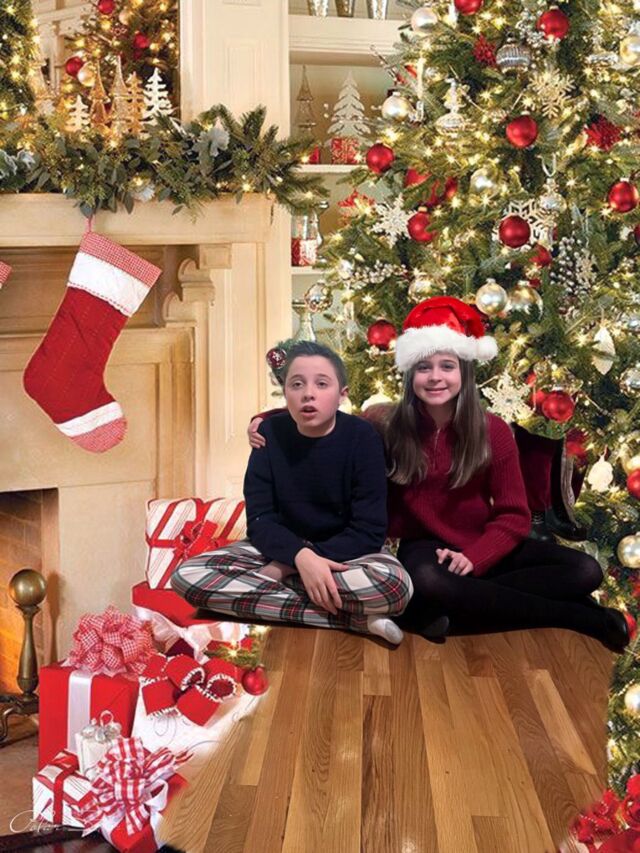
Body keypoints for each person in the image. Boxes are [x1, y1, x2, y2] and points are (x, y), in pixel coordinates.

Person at [248, 299, 631, 652]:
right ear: (410, 375)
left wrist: (475, 558)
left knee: (585, 570)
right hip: (423, 549)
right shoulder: (383, 423)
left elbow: (513, 515)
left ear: (464, 372)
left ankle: (439, 610)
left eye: (447, 366)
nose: (435, 377)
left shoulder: (492, 430)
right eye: (423, 368)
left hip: (479, 541)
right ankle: (576, 616)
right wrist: (265, 420)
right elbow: (325, 414)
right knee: (430, 582)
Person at [172, 341, 413, 645]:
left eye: (321, 384)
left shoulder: (362, 438)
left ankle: (276, 596)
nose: (308, 393)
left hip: (348, 553)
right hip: (279, 547)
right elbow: (260, 520)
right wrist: (298, 555)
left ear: (342, 394)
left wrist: (292, 564)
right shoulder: (268, 434)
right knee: (187, 576)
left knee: (394, 587)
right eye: (297, 384)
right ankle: (353, 619)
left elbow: (369, 530)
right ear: (285, 392)